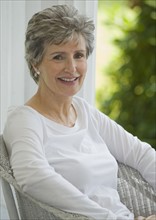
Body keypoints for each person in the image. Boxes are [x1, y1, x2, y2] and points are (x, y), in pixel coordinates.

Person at [3, 4, 155, 220]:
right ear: (36, 62)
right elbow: (33, 177)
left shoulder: (84, 112)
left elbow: (141, 155)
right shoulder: (25, 120)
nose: (72, 68)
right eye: (58, 57)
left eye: (79, 55)